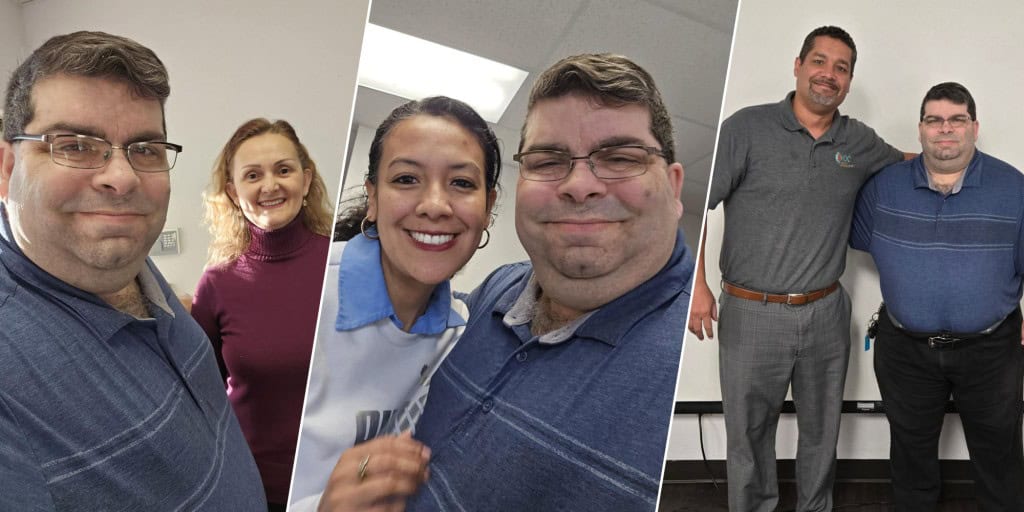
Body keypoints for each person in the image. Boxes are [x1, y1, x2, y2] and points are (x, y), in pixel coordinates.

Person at [399, 53, 693, 511]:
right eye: (548, 159)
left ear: (674, 188)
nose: (579, 184)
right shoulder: (498, 287)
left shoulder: (685, 360)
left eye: (619, 157)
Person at [0, 31, 264, 509]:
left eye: (145, 149)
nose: (121, 178)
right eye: (75, 145)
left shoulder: (126, 262)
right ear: (6, 166)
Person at [688, 26, 904, 512]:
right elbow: (695, 203)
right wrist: (696, 285)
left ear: (849, 81)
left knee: (822, 432)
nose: (829, 75)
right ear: (798, 65)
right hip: (751, 312)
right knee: (748, 437)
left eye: (841, 67)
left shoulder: (857, 141)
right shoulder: (746, 128)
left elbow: (908, 164)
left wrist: (956, 159)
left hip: (826, 311)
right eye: (820, 62)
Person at [289, 96, 500, 511]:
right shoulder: (308, 295)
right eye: (406, 179)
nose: (435, 206)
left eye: (461, 183)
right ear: (373, 197)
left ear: (488, 207)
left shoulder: (460, 335)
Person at [851, 82, 1024, 512]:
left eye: (956, 119)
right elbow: (850, 239)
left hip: (992, 350)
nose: (945, 129)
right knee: (910, 457)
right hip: (905, 351)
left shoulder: (1014, 188)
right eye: (934, 120)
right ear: (921, 128)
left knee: (999, 455)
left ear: (974, 127)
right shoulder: (883, 188)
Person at [190, 118, 333, 510]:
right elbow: (200, 396)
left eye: (283, 170)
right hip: (248, 489)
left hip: (335, 486)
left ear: (305, 180)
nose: (269, 186)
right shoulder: (217, 282)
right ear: (234, 193)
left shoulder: (344, 264)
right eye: (253, 175)